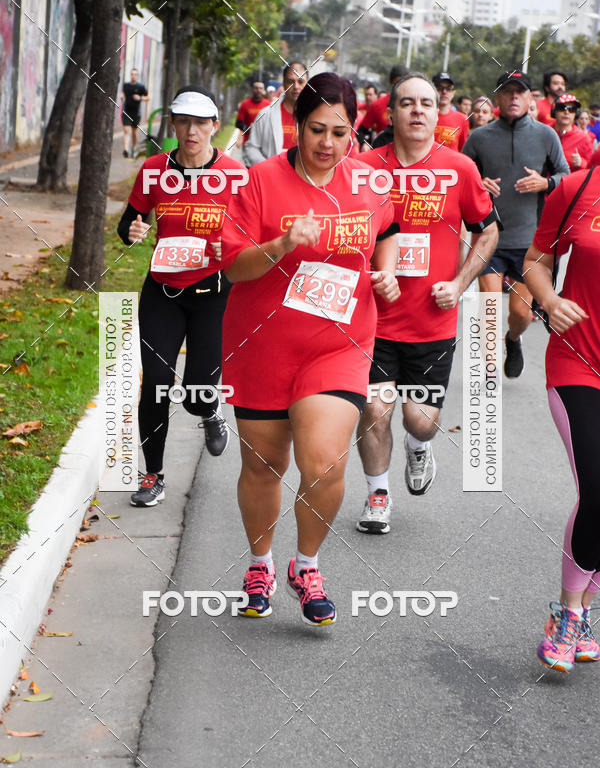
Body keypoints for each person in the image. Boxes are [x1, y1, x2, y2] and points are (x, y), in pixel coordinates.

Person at [220, 73, 400, 625]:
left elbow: (386, 231)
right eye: (316, 129)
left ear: (355, 134)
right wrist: (282, 244)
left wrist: (386, 273)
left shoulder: (369, 183)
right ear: (296, 126)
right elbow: (233, 265)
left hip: (339, 343)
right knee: (264, 465)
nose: (327, 143)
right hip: (263, 343)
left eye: (340, 132)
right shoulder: (260, 181)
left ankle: (306, 564)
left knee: (321, 462)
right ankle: (259, 564)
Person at [354, 73, 498, 533]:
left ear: (439, 114)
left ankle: (419, 448)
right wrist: (371, 275)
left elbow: (488, 230)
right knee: (375, 409)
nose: (417, 110)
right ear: (390, 112)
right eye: (407, 103)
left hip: (433, 323)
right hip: (372, 319)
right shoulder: (364, 167)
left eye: (426, 104)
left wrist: (459, 284)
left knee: (420, 423)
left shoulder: (459, 168)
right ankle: (378, 494)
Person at [117, 86, 243, 506]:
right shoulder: (154, 169)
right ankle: (153, 475)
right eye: (183, 122)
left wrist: (233, 248)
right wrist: (133, 230)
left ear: (214, 127)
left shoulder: (235, 174)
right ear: (173, 124)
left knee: (195, 395)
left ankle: (209, 411)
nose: (191, 131)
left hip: (213, 295)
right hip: (163, 293)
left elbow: (249, 235)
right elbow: (129, 222)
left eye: (200, 123)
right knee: (153, 382)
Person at [523, 168, 600, 673]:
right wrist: (549, 300)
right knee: (596, 488)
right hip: (578, 361)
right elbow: (535, 260)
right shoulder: (577, 187)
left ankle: (586, 611)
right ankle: (567, 614)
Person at [462, 70, 569, 378]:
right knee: (491, 307)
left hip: (528, 242)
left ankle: (513, 339)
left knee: (521, 313)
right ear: (497, 97)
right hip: (490, 236)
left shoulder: (545, 135)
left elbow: (565, 176)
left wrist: (545, 183)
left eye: (519, 92)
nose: (513, 98)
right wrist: (479, 183)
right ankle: (489, 367)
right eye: (507, 92)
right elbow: (462, 175)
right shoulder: (479, 137)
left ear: (529, 97)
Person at [245, 61, 308, 164]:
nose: (296, 86)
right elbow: (251, 147)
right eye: (291, 81)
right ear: (283, 83)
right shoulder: (265, 115)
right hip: (271, 177)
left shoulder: (315, 117)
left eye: (301, 81)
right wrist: (269, 168)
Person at [357, 64, 407, 150]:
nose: (400, 86)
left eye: (403, 83)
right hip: (381, 155)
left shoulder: (415, 107)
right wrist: (365, 144)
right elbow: (360, 132)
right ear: (391, 82)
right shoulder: (377, 105)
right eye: (397, 82)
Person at [552, 93, 593, 172]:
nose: (566, 112)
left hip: (570, 182)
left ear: (575, 114)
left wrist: (581, 163)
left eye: (572, 109)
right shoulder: (544, 131)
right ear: (554, 111)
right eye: (562, 107)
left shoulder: (584, 138)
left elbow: (592, 169)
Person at [432, 72, 468, 151]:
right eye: (439, 88)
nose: (444, 92)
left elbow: (463, 151)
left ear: (453, 92)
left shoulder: (462, 119)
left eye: (448, 88)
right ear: (432, 90)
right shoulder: (423, 115)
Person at [235, 80, 270, 160]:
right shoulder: (245, 104)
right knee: (249, 167)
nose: (258, 90)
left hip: (263, 143)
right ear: (252, 89)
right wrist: (248, 128)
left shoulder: (268, 105)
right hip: (248, 142)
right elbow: (238, 123)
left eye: (260, 88)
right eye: (256, 88)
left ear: (263, 90)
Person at [120, 68, 150, 158]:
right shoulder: (126, 85)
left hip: (136, 113)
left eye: (135, 74)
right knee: (126, 130)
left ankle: (134, 148)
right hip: (126, 111)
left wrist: (140, 98)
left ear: (137, 76)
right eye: (132, 74)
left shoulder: (141, 87)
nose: (133, 76)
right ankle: (126, 150)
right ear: (130, 75)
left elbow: (147, 98)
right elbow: (123, 93)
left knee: (134, 133)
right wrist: (122, 96)